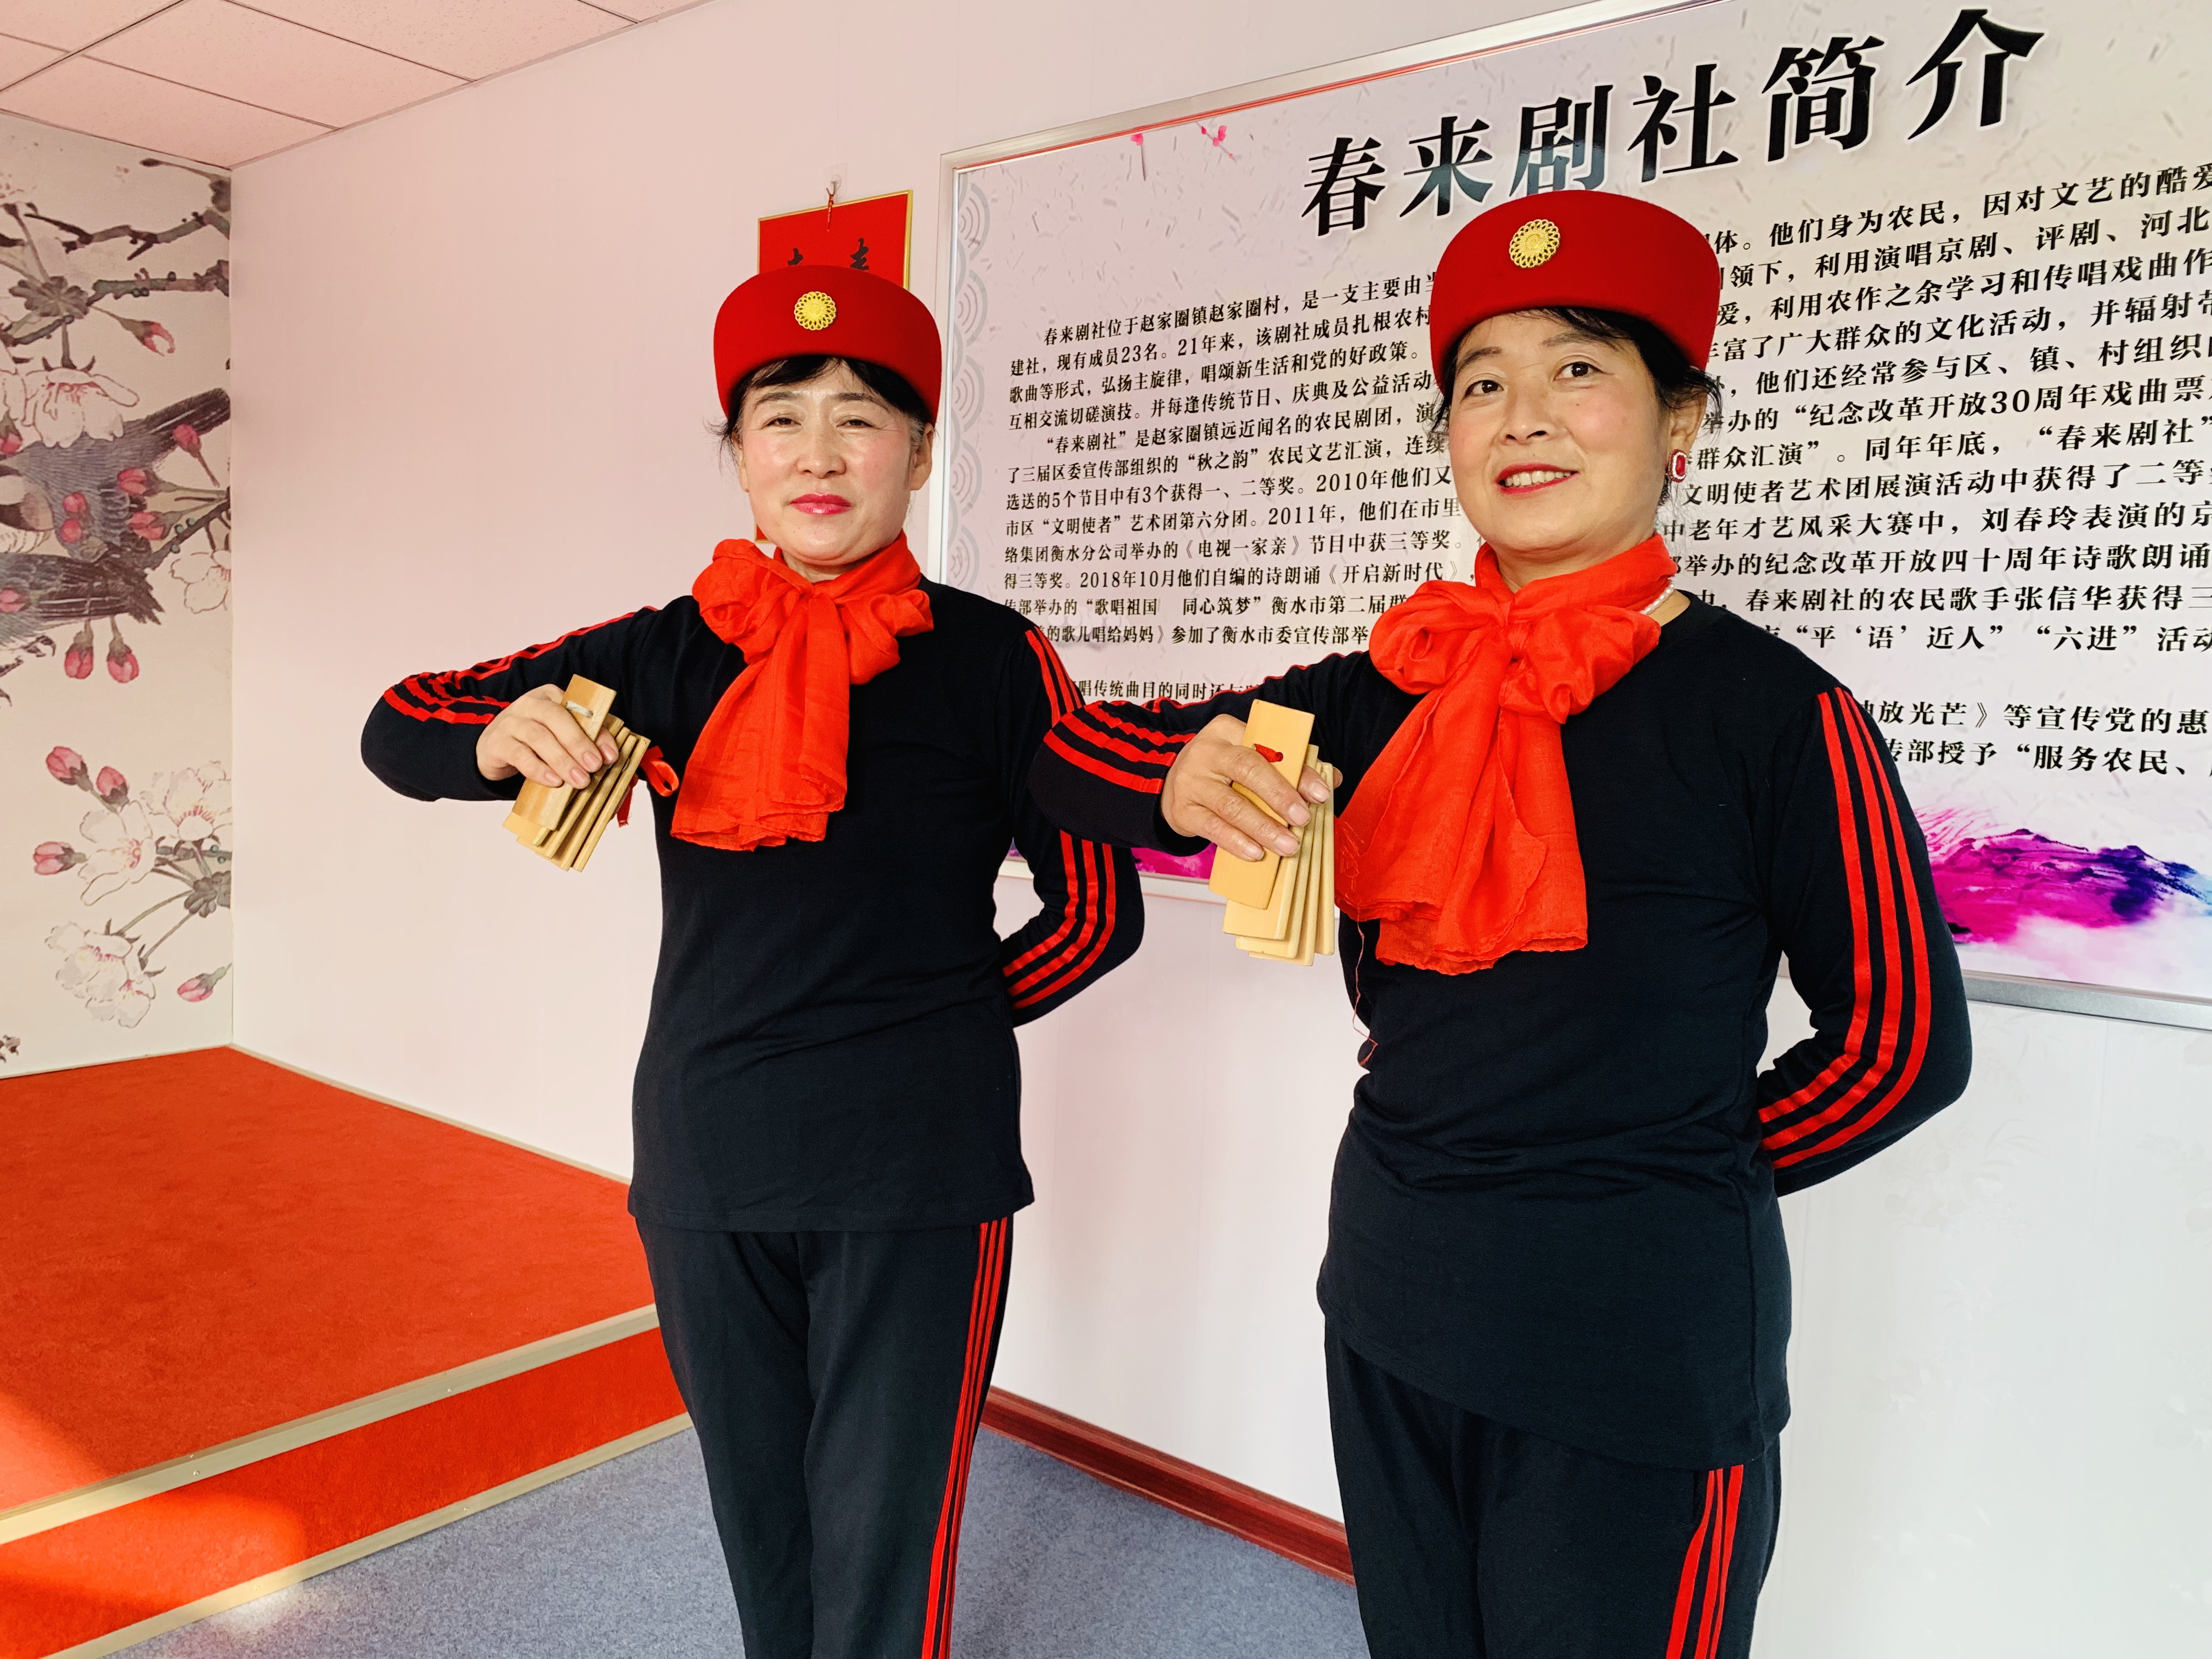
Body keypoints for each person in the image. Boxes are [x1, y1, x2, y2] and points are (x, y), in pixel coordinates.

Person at [1026, 191, 1972, 1658]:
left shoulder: (1779, 713)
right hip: (1392, 1296)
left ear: (1681, 420)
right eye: (1482, 384)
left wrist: (1676, 1178)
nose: (1522, 415)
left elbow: (1905, 1047)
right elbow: (1058, 753)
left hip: (1632, 1345)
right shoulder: (1377, 690)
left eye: (1577, 367)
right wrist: (1170, 774)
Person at [362, 264, 1141, 1659]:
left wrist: (934, 1028)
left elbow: (1096, 911)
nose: (819, 453)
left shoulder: (993, 658)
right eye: (782, 419)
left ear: (919, 454)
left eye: (862, 418)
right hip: (708, 1150)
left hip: (916, 1167)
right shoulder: (664, 652)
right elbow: (401, 720)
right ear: (737, 456)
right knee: (760, 1512)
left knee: (887, 1534)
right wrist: (490, 743)